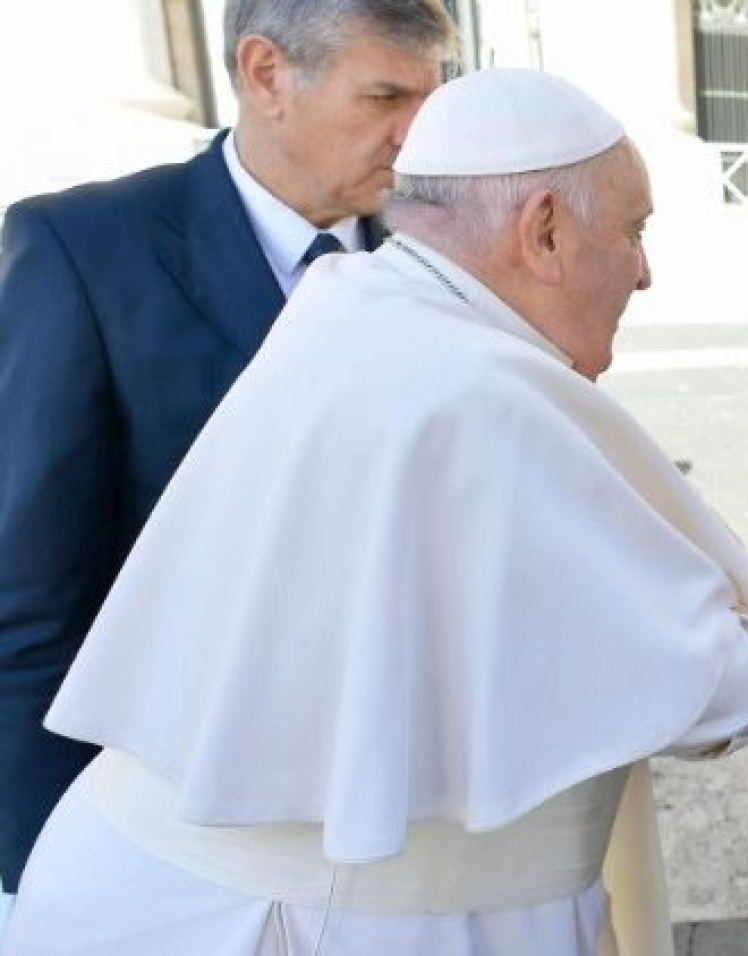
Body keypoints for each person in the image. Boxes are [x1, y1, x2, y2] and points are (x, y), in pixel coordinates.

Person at [1, 68, 748, 955]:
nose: (645, 272)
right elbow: (692, 671)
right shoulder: (469, 387)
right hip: (290, 922)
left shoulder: (360, 304)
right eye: (632, 232)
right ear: (542, 230)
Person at [0, 0, 456, 905]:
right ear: (266, 73)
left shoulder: (443, 259)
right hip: (161, 833)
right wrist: (45, 872)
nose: (414, 137)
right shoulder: (85, 251)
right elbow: (28, 601)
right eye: (382, 98)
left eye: (427, 103)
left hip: (401, 838)